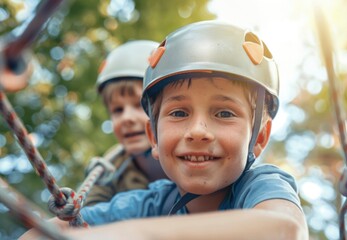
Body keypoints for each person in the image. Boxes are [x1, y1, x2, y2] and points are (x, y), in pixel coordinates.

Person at [20, 21, 308, 240]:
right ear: (153, 137)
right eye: (179, 113)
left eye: (224, 113)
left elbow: (284, 229)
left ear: (258, 138)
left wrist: (130, 235)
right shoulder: (151, 200)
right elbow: (43, 233)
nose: (198, 131)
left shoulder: (260, 185)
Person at [84, 40, 168, 206]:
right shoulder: (109, 167)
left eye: (139, 105)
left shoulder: (189, 153)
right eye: (117, 110)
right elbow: (88, 211)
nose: (126, 118)